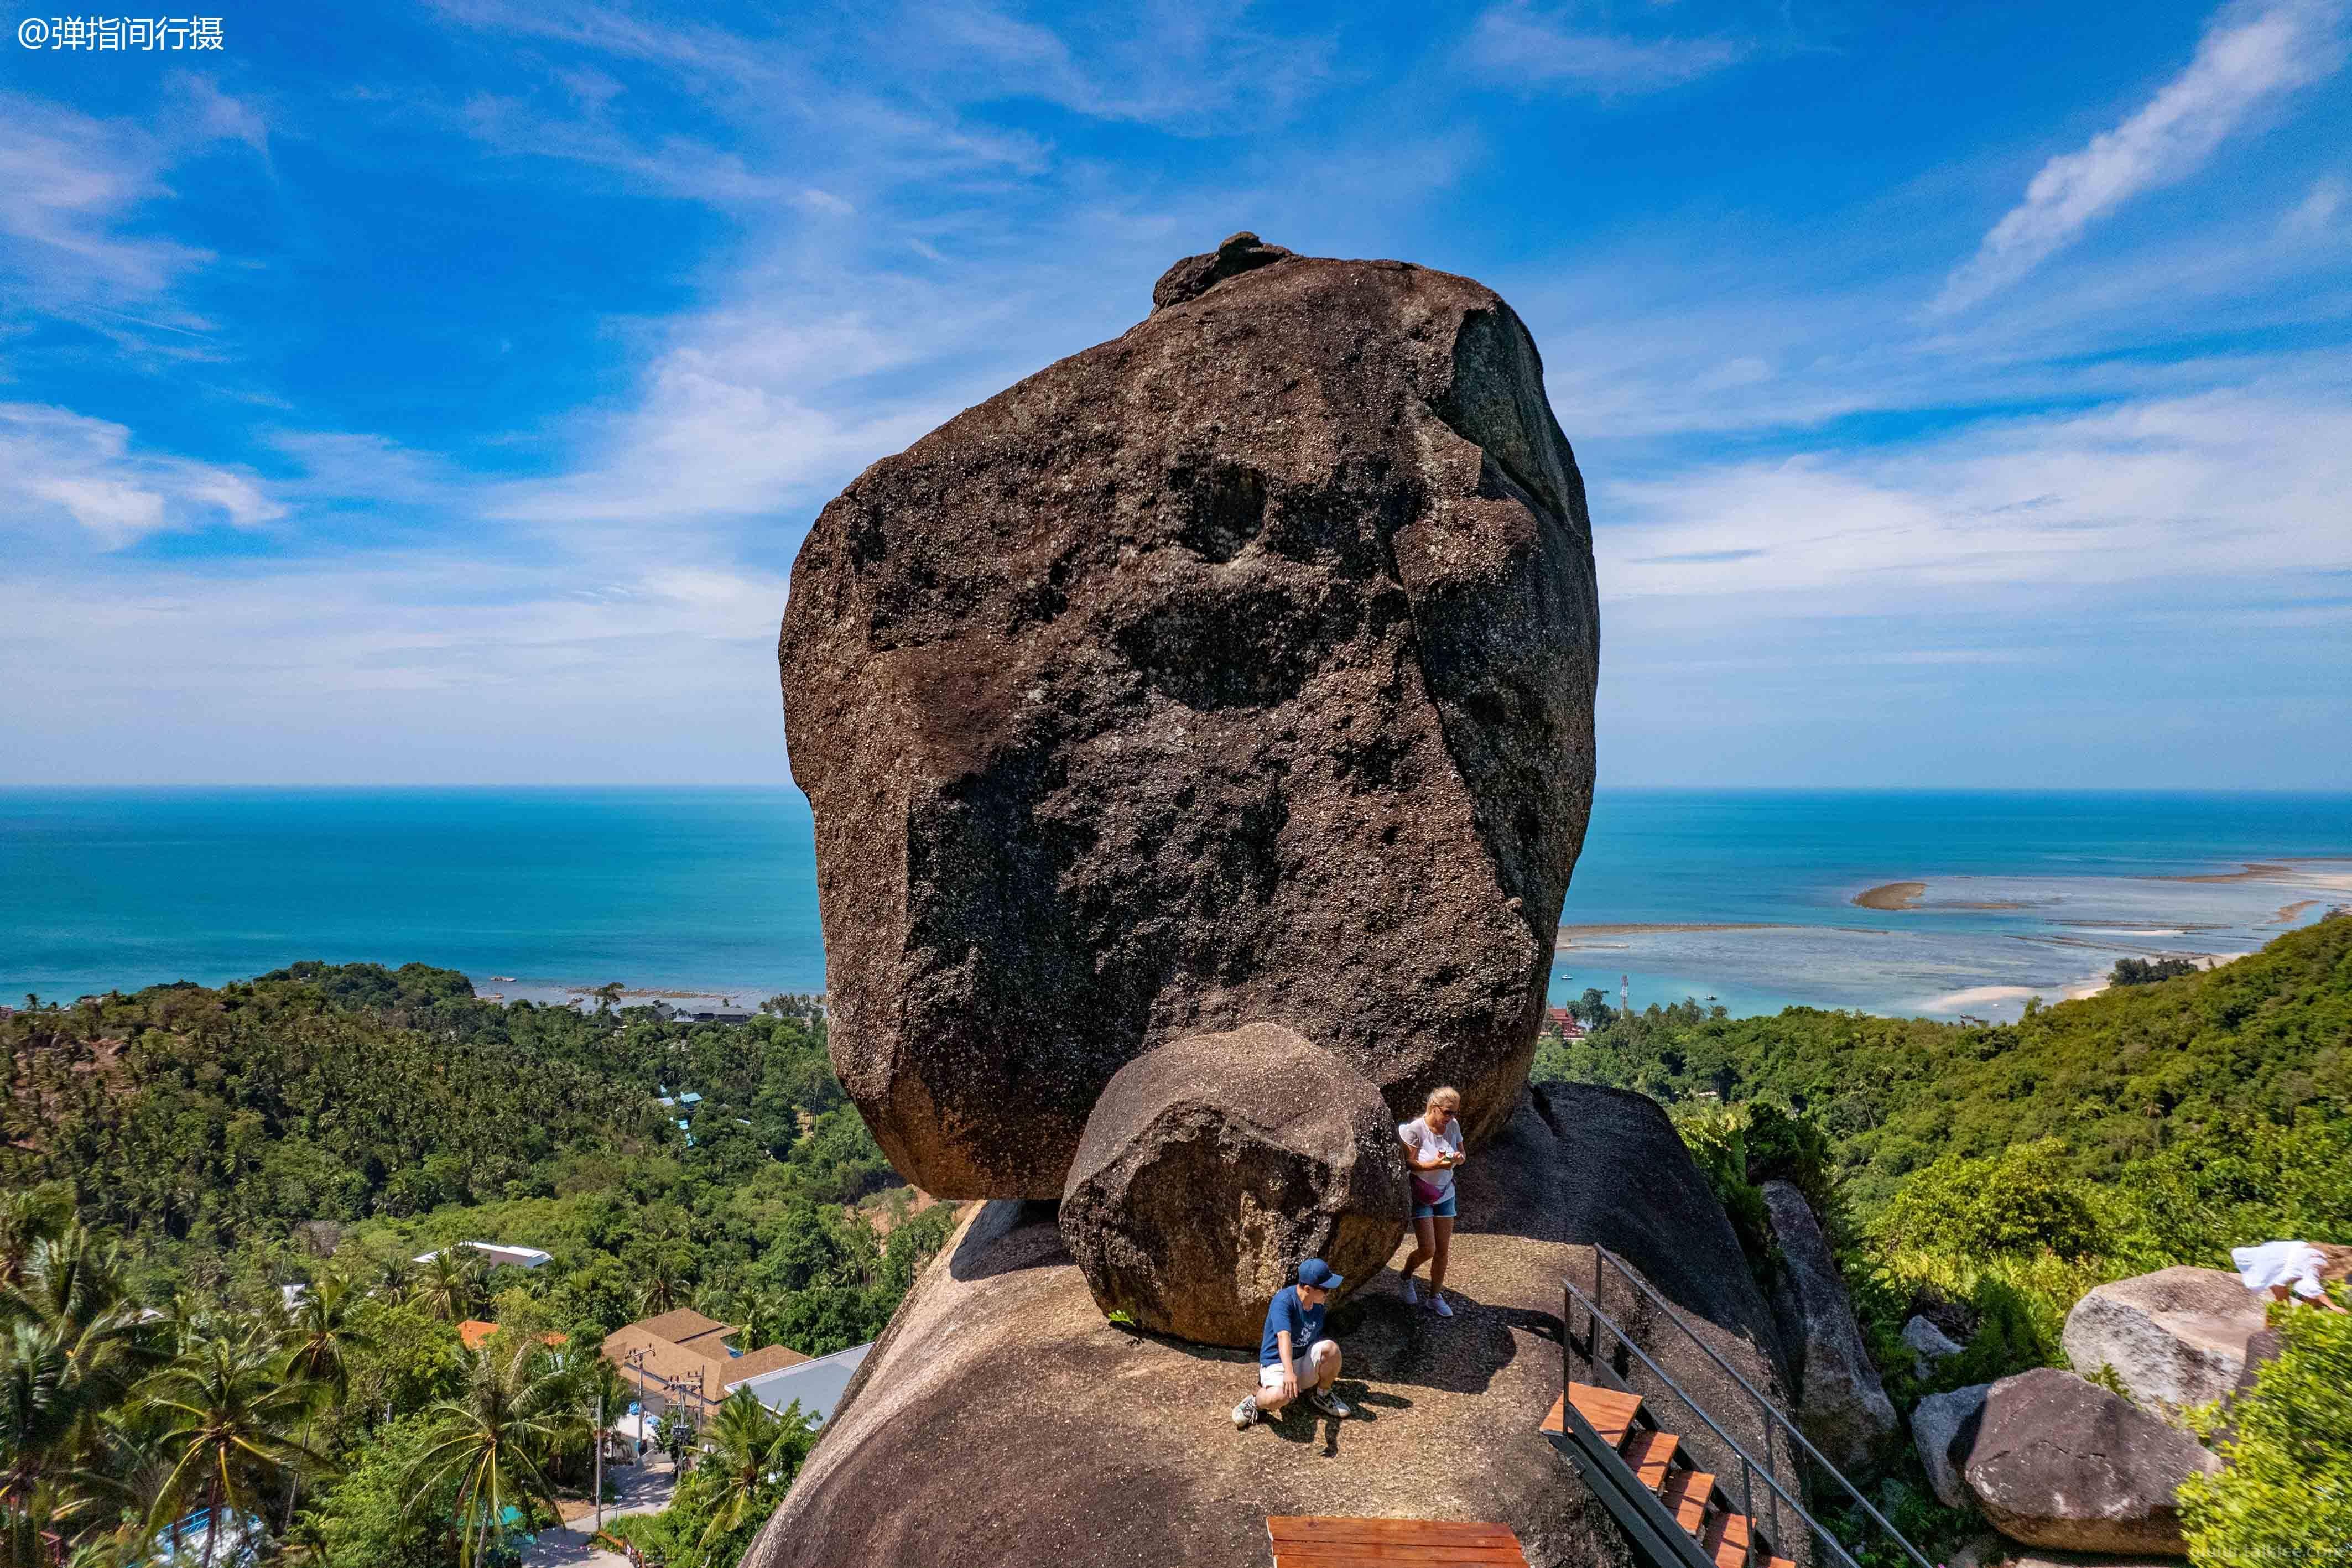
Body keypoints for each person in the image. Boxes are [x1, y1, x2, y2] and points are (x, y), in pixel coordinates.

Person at [1233, 1258, 1350, 1428]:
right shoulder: (1284, 1301)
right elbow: (1284, 1337)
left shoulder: (1317, 1306)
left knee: (1331, 1349)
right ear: (1309, 1289)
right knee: (1281, 1397)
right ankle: (1255, 1402)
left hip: (1301, 1360)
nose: (1329, 1292)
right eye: (1326, 1289)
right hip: (1278, 1363)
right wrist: (1289, 1372)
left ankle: (1323, 1395)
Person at [1396, 1085, 1465, 1317]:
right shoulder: (1415, 1129)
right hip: (1421, 1194)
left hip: (1446, 1192)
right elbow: (1410, 1163)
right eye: (1447, 1112)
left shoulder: (1452, 1126)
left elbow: (1462, 1155)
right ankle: (1406, 1276)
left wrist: (1457, 1158)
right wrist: (1435, 1165)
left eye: (1454, 1112)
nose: (1451, 1117)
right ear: (1434, 1108)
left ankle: (1435, 1297)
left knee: (1443, 1251)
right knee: (1428, 1249)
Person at [2231, 1239, 2351, 1313]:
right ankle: (2267, 1336)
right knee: (2283, 1306)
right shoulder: (2316, 1260)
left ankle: (2272, 1334)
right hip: (2274, 1267)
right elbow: (2311, 1285)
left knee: (2312, 1302)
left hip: (2275, 1257)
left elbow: (2303, 1285)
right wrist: (2333, 1306)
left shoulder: (2317, 1252)